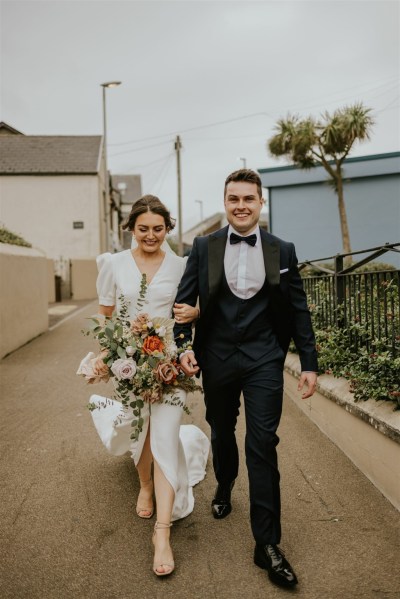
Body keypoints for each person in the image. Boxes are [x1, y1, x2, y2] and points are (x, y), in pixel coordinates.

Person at [174, 169, 318, 589]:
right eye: (234, 198)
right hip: (215, 356)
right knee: (221, 429)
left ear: (260, 203)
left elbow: (298, 309)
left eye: (249, 199)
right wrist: (184, 346)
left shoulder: (282, 250)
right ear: (225, 202)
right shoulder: (203, 247)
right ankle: (225, 482)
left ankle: (267, 543)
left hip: (263, 358)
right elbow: (184, 304)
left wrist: (308, 362)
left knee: (263, 441)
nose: (241, 206)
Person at [88, 195, 209, 577]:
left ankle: (162, 533)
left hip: (171, 364)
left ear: (168, 228)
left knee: (165, 435)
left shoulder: (183, 265)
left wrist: (198, 311)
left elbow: (196, 308)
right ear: (131, 228)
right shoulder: (114, 264)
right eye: (144, 229)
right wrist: (106, 357)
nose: (151, 235)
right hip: (129, 364)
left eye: (158, 228)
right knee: (140, 433)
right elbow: (105, 314)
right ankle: (144, 484)